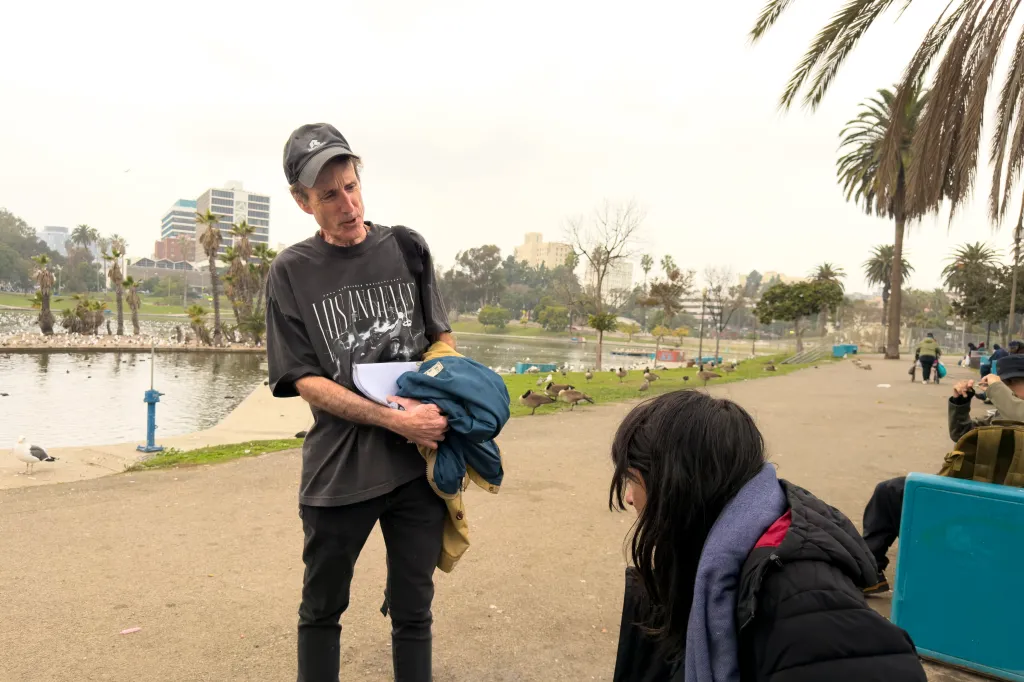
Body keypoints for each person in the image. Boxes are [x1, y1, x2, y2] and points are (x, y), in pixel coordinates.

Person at [267, 122, 455, 682]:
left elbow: (439, 338)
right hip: (338, 473)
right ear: (303, 202)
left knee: (414, 613)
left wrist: (439, 382)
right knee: (321, 611)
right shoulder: (290, 272)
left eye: (351, 186)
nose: (347, 204)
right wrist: (397, 420)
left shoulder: (406, 247)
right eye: (329, 195)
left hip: (416, 469)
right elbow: (304, 379)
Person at [609, 390, 927, 681]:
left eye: (632, 479)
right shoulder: (720, 550)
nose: (629, 498)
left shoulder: (802, 601)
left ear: (677, 484)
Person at [862, 354, 1024, 593]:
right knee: (891, 491)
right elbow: (963, 435)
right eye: (1005, 384)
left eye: (1013, 383)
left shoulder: (1013, 409)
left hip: (1011, 505)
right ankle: (867, 571)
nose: (1007, 390)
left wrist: (998, 389)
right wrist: (960, 403)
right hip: (977, 493)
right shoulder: (998, 417)